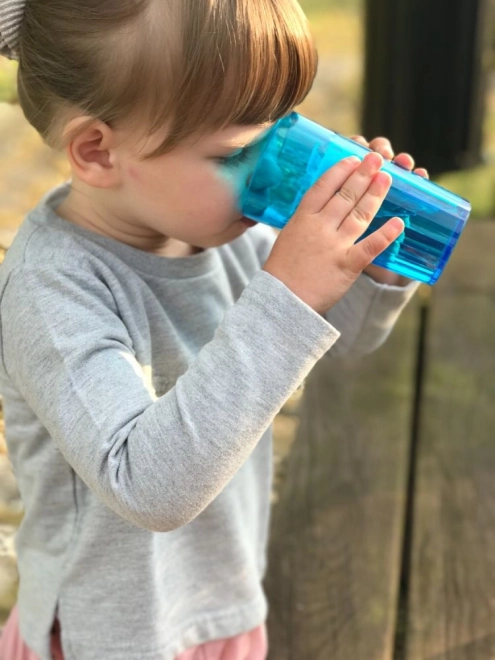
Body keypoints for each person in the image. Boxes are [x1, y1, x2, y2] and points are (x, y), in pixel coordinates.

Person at [0, 0, 426, 658]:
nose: (273, 168)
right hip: (110, 633)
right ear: (98, 152)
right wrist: (287, 290)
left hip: (219, 601)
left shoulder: (223, 231)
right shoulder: (53, 289)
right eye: (239, 151)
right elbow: (147, 485)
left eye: (283, 128)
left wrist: (371, 266)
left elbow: (338, 337)